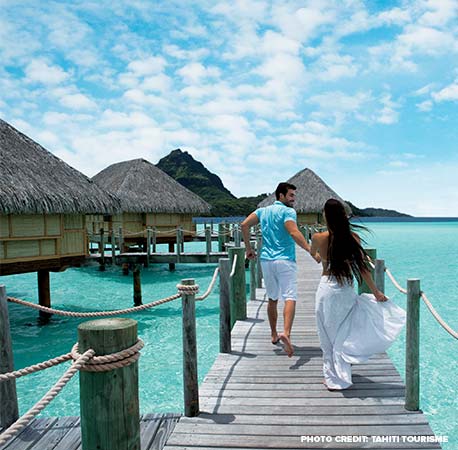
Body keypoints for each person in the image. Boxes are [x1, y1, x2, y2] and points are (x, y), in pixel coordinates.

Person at [310, 198, 406, 390]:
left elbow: (315, 256)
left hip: (326, 289)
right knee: (343, 330)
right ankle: (343, 369)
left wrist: (322, 256)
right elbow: (363, 269)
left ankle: (331, 375)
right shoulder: (353, 238)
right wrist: (376, 292)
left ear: (326, 217)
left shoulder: (318, 238)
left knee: (326, 334)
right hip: (345, 288)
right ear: (343, 216)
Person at [241, 182, 317, 357]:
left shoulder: (263, 211)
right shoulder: (289, 212)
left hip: (266, 261)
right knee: (290, 296)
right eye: (291, 195)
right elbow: (294, 232)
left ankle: (274, 334)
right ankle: (287, 334)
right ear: (281, 195)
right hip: (285, 261)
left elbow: (244, 225)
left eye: (294, 196)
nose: (293, 199)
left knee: (272, 298)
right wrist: (310, 250)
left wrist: (248, 249)